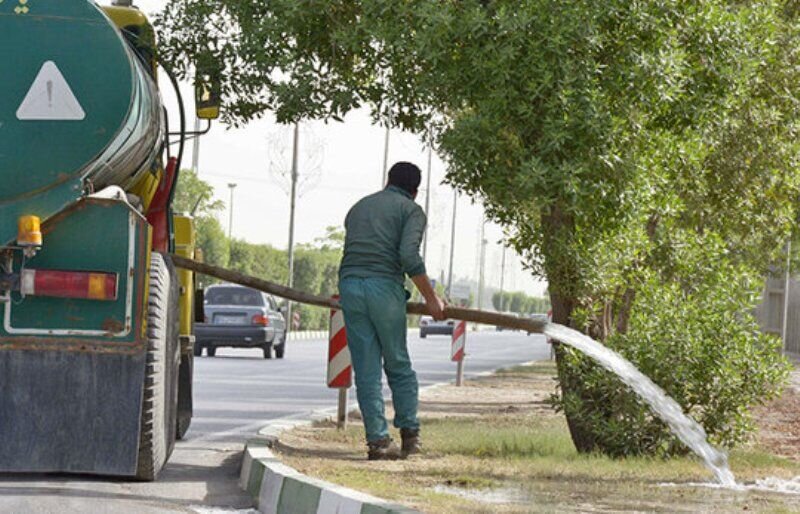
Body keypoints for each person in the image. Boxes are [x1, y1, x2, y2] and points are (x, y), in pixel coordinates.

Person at [338, 161, 446, 460]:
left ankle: (378, 442)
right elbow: (408, 256)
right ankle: (410, 436)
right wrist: (432, 299)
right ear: (415, 190)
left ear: (388, 180)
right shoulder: (411, 211)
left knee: (366, 370)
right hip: (383, 289)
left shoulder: (359, 207)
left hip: (350, 287)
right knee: (397, 363)